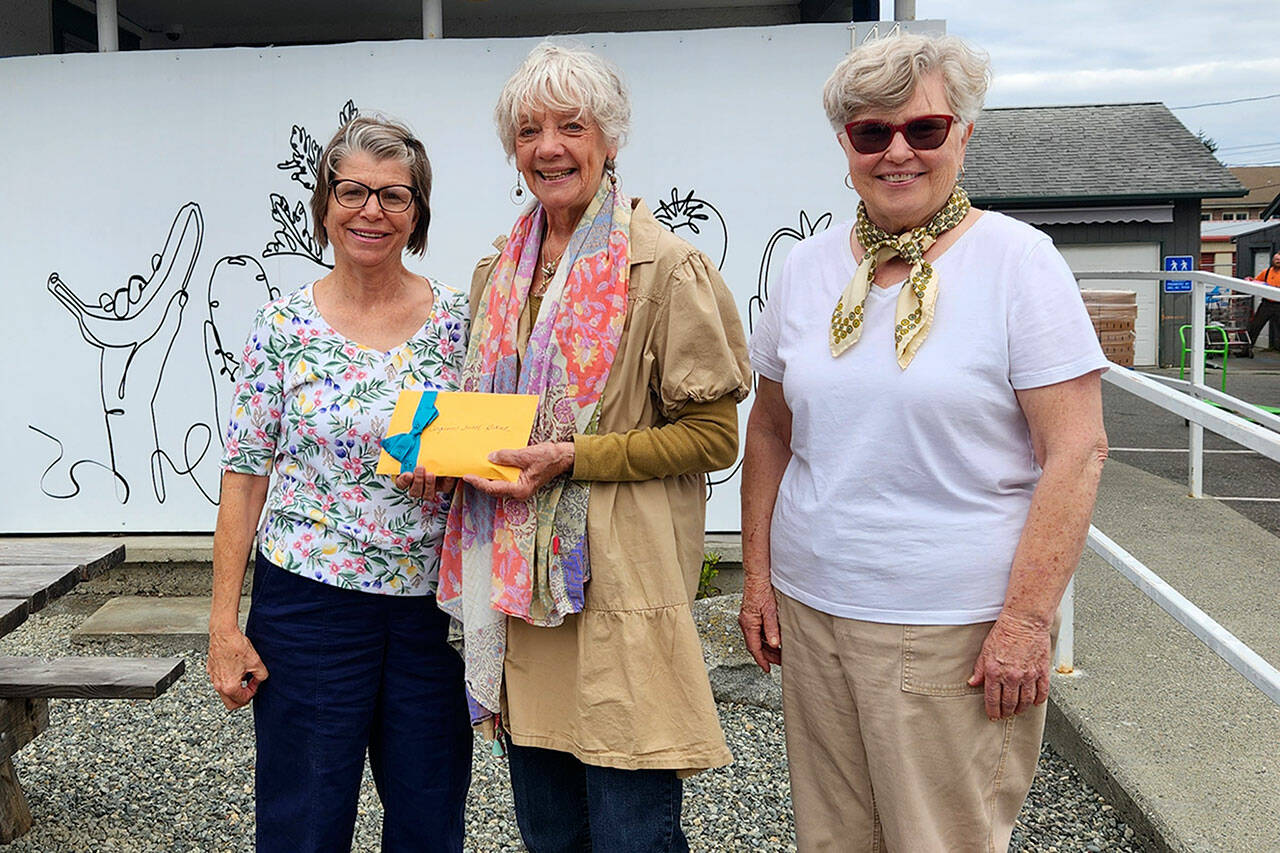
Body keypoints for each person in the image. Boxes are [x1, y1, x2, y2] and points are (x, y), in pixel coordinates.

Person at [738, 33, 1110, 852]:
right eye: (872, 133)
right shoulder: (806, 269)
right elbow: (770, 428)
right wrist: (759, 576)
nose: (898, 151)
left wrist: (1025, 621)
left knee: (938, 838)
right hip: (814, 606)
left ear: (964, 135)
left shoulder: (1019, 263)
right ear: (846, 145)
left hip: (954, 626)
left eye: (925, 129)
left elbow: (1077, 450)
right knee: (833, 838)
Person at [432, 41, 749, 853]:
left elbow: (713, 435)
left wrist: (576, 455)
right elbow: (489, 419)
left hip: (618, 591)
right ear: (513, 151)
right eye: (530, 129)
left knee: (632, 831)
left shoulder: (666, 269)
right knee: (550, 833)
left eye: (572, 125)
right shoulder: (496, 273)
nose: (549, 146)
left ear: (610, 141)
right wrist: (446, 461)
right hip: (522, 590)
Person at [206, 115, 472, 853]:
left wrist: (454, 462)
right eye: (353, 191)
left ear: (417, 214)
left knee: (429, 817)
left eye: (395, 196)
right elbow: (245, 474)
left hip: (431, 614)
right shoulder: (282, 326)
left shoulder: (461, 321)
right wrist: (225, 625)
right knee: (304, 822)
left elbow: (495, 442)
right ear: (325, 205)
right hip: (309, 607)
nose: (371, 211)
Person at [1247, 252, 1280, 351]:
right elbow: (1257, 282)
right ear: (1272, 261)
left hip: (1279, 305)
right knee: (1255, 326)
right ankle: (1246, 349)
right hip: (1266, 304)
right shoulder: (1266, 272)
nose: (1278, 261)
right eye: (1276, 259)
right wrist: (1251, 280)